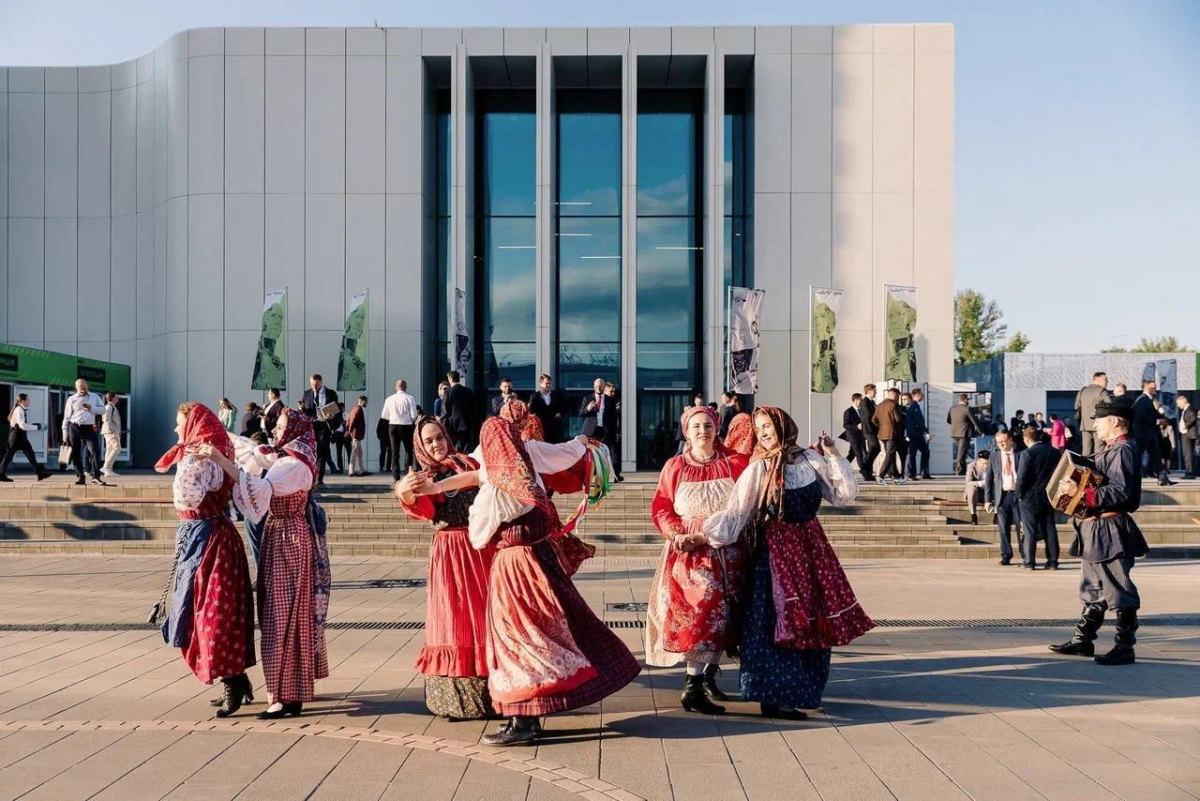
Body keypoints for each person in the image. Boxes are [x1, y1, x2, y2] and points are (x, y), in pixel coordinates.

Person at [458, 417, 640, 745]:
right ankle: (532, 712)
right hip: (540, 562)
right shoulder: (529, 472)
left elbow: (478, 534)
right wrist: (578, 444)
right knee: (550, 632)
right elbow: (556, 453)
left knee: (517, 641)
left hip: (514, 569)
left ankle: (522, 720)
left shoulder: (499, 489)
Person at [704, 407, 872, 718]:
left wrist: (833, 453)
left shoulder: (810, 460)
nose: (764, 433)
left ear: (784, 425)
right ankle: (772, 696)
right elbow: (737, 512)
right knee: (775, 620)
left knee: (812, 620)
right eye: (759, 428)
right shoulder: (759, 468)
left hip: (811, 551)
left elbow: (843, 494)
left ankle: (801, 692)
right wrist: (704, 536)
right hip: (775, 552)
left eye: (768, 426)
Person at [202, 408, 330, 717]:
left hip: (289, 538)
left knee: (282, 616)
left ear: (295, 431)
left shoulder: (294, 465)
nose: (275, 430)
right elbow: (258, 455)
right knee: (280, 614)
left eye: (282, 426)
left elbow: (257, 489)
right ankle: (288, 693)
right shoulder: (288, 458)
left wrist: (222, 461)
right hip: (282, 535)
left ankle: (285, 695)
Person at [149, 403, 256, 718]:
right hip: (206, 536)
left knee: (213, 614)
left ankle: (233, 681)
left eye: (178, 423)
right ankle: (235, 678)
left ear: (194, 425)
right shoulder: (200, 456)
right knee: (204, 612)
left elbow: (187, 498)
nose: (175, 429)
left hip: (210, 541)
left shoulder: (199, 460)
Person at [647, 405, 751, 715]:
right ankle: (691, 687)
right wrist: (675, 533)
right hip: (691, 552)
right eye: (696, 426)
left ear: (716, 428)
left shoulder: (734, 464)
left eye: (708, 424)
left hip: (729, 548)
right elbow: (662, 507)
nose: (702, 430)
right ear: (686, 431)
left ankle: (706, 676)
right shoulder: (675, 466)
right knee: (701, 610)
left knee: (726, 613)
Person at [395, 415, 496, 720]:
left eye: (439, 437)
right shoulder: (422, 477)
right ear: (420, 446)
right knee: (454, 618)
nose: (436, 444)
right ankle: (458, 700)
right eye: (429, 440)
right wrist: (405, 491)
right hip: (450, 553)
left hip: (481, 547)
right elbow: (422, 510)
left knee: (485, 616)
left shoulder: (467, 464)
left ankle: (496, 690)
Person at [1049, 402, 1149, 666]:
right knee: (1092, 588)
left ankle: (1125, 647)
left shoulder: (1124, 450)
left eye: (1099, 420)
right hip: (1094, 528)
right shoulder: (1110, 450)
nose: (1094, 425)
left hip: (1110, 529)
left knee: (1118, 588)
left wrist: (1081, 494)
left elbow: (1121, 492)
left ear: (1115, 421)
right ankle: (1083, 640)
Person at [1017, 425, 1060, 569]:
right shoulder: (1054, 452)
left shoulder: (1026, 454)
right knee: (1050, 528)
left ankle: (1029, 562)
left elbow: (1022, 478)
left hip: (1030, 497)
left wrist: (1019, 494)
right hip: (1049, 495)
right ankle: (1053, 561)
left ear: (1026, 439)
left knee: (1030, 529)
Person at [984, 430, 1024, 566]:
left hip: (1018, 496)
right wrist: (987, 500)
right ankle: (1006, 555)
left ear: (1010, 440)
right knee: (1003, 528)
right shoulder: (994, 456)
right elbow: (988, 479)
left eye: (1004, 441)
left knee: (1021, 528)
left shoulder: (1020, 455)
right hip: (1002, 496)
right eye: (998, 442)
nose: (1001, 444)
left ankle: (1026, 555)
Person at [61, 379, 106, 486]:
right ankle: (80, 477)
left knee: (95, 451)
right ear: (76, 388)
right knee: (76, 453)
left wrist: (92, 408)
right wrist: (64, 432)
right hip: (74, 427)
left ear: (87, 386)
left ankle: (96, 477)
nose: (83, 391)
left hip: (89, 428)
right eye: (80, 389)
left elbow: (103, 410)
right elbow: (66, 417)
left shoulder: (95, 397)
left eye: (85, 389)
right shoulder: (71, 399)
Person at [0, 394, 51, 481]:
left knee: (30, 454)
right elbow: (22, 426)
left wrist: (34, 425)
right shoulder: (19, 410)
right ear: (22, 401)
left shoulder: (20, 410)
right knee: (8, 456)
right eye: (28, 400)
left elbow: (23, 425)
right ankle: (1, 475)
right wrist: (37, 427)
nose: (29, 401)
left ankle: (40, 474)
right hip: (16, 437)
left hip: (20, 436)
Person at [300, 374, 339, 485]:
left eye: (316, 384)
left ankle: (319, 478)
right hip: (311, 425)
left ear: (321, 382)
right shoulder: (307, 394)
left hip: (324, 424)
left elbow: (336, 409)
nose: (314, 387)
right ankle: (309, 476)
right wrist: (302, 409)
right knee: (309, 451)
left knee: (322, 451)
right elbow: (305, 411)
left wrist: (332, 416)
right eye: (312, 384)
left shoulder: (330, 393)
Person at [1132, 380, 1173, 486]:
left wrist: (1159, 416)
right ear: (1146, 387)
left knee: (1156, 456)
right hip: (1142, 434)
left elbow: (1150, 415)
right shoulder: (1142, 400)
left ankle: (1163, 478)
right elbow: (1141, 417)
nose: (1155, 389)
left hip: (1149, 434)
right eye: (1153, 387)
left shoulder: (1148, 400)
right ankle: (1127, 476)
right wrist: (1157, 421)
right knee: (1136, 456)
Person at [382, 379, 420, 479]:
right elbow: (414, 415)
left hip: (393, 425)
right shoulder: (410, 398)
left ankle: (396, 476)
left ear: (396, 387)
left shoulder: (389, 399)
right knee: (408, 450)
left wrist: (393, 417)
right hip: (406, 425)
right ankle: (408, 472)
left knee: (395, 451)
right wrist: (409, 419)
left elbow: (384, 415)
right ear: (405, 387)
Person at [871, 388, 904, 485]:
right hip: (892, 434)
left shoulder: (879, 405)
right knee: (890, 454)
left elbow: (873, 420)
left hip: (882, 434)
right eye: (897, 396)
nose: (898, 398)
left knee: (891, 454)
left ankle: (897, 477)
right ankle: (881, 475)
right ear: (893, 394)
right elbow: (897, 419)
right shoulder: (893, 405)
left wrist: (881, 426)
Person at [1074, 372, 1111, 456]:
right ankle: (1097, 468)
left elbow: (1076, 406)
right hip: (1099, 425)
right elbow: (1110, 405)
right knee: (1099, 451)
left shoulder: (1082, 391)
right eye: (1105, 379)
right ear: (1097, 380)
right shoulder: (1102, 391)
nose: (1107, 381)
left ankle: (1084, 468)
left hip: (1085, 425)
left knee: (1085, 452)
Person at [443, 371, 477, 452]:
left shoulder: (448, 393)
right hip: (467, 424)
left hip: (452, 426)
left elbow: (445, 411)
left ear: (450, 379)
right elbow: (474, 408)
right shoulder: (469, 391)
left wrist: (444, 426)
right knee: (466, 449)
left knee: (452, 449)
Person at [947, 393, 981, 475]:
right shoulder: (967, 409)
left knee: (961, 451)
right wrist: (981, 431)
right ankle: (959, 470)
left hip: (955, 433)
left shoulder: (952, 408)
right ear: (965, 400)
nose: (968, 401)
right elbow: (974, 421)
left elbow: (948, 420)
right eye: (968, 400)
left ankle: (963, 470)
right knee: (961, 452)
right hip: (965, 433)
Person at [528, 374, 568, 444]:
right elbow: (531, 411)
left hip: (554, 428)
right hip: (541, 427)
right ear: (541, 384)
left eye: (549, 383)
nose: (548, 385)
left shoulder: (557, 395)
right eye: (546, 383)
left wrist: (560, 413)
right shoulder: (535, 396)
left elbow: (565, 407)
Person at [840, 393, 870, 479]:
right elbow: (845, 425)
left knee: (852, 454)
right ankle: (866, 474)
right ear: (856, 400)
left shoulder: (861, 411)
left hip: (861, 436)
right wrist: (856, 427)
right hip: (853, 436)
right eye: (860, 399)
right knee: (859, 454)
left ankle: (842, 469)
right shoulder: (848, 411)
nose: (862, 401)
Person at [905, 387, 932, 479]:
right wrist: (926, 432)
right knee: (912, 454)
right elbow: (919, 421)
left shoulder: (916, 406)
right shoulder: (913, 406)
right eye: (921, 394)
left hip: (918, 434)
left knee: (925, 452)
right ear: (917, 395)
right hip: (914, 435)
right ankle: (911, 474)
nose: (923, 395)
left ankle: (924, 473)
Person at [603, 382, 624, 482]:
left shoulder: (616, 401)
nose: (612, 393)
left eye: (613, 391)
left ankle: (615, 475)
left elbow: (617, 419)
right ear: (605, 391)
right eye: (610, 391)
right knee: (606, 454)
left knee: (614, 453)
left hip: (613, 431)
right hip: (605, 432)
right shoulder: (604, 402)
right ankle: (608, 476)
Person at [860, 384, 881, 479]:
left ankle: (868, 474)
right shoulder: (865, 401)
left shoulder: (872, 402)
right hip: (869, 430)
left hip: (873, 430)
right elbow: (868, 416)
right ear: (869, 391)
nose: (876, 392)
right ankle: (864, 467)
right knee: (876, 447)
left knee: (872, 450)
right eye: (874, 391)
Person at [100, 391, 123, 478]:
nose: (118, 398)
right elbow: (106, 419)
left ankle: (107, 470)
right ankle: (107, 467)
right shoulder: (109, 407)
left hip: (111, 431)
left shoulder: (111, 407)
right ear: (112, 398)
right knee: (117, 449)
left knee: (109, 450)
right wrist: (111, 429)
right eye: (116, 397)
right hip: (111, 432)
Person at [963, 451, 989, 525]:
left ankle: (996, 515)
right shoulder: (971, 466)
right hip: (977, 493)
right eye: (983, 464)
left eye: (987, 463)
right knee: (971, 488)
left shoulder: (994, 465)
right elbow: (968, 482)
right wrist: (980, 483)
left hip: (989, 492)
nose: (986, 466)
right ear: (978, 461)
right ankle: (973, 515)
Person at [346, 395, 369, 476]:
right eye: (366, 402)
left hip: (356, 434)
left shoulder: (354, 409)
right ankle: (351, 470)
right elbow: (352, 421)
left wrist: (348, 429)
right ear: (362, 401)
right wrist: (349, 431)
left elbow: (348, 420)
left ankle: (363, 469)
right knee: (354, 451)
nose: (366, 403)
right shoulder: (358, 409)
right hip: (357, 434)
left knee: (360, 452)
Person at [1176, 395, 1197, 479]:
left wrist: (1185, 426)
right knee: (1186, 454)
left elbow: (1193, 418)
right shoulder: (1185, 410)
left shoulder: (1189, 409)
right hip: (1185, 434)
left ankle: (1190, 472)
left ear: (1183, 401)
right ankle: (1188, 471)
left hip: (1188, 434)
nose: (1178, 405)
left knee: (1188, 454)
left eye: (1178, 403)